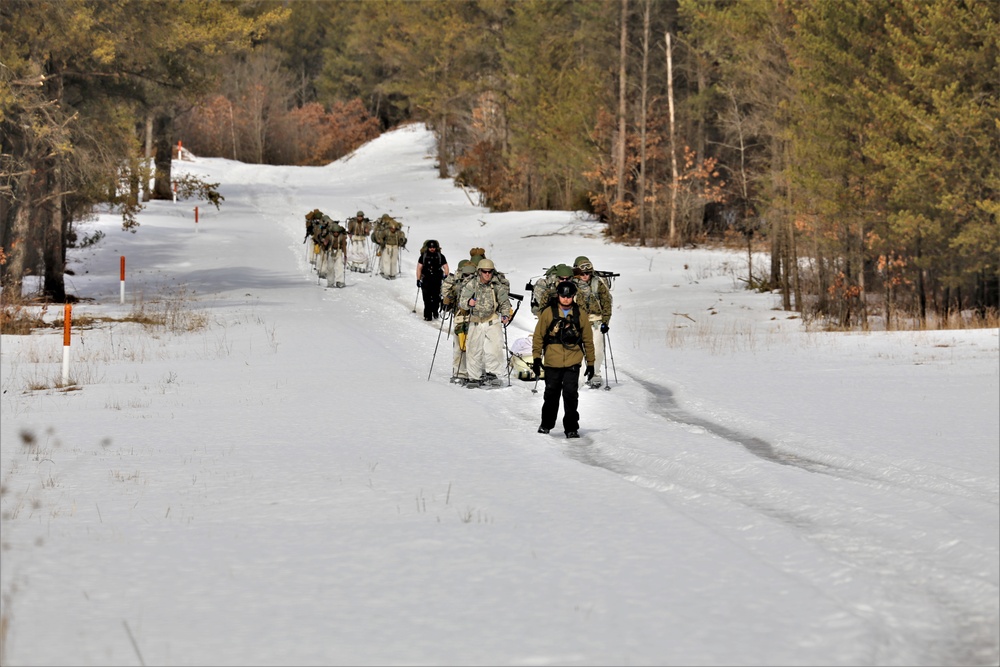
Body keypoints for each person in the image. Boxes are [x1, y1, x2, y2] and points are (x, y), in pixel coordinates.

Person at [531, 280, 595, 438]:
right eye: (563, 296)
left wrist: (591, 363)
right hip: (553, 361)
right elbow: (538, 337)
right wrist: (537, 358)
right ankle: (546, 424)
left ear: (573, 296)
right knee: (551, 394)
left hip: (573, 360)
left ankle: (571, 428)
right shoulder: (548, 313)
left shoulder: (580, 314)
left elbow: (588, 340)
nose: (566, 299)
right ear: (558, 296)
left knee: (571, 395)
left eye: (569, 296)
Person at [459, 258, 512, 388]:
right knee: (473, 349)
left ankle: (492, 374)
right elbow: (462, 301)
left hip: (491, 319)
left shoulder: (496, 286)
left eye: (490, 272)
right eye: (485, 272)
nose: (487, 274)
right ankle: (474, 377)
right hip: (476, 321)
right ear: (479, 271)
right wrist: (468, 303)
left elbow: (505, 302)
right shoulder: (472, 284)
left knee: (495, 347)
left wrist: (505, 314)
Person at [572, 255, 613, 387]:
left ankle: (594, 373)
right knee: (579, 350)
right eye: (582, 273)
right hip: (578, 322)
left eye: (588, 273)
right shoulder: (572, 284)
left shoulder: (597, 283)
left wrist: (606, 322)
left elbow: (606, 302)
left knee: (597, 349)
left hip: (596, 321)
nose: (585, 276)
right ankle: (578, 377)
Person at [441, 260, 476, 383]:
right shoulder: (455, 282)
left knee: (472, 346)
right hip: (460, 316)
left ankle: (469, 372)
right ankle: (460, 373)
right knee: (460, 345)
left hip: (473, 317)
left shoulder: (478, 282)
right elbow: (446, 294)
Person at [416, 240, 449, 320]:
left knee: (436, 298)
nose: (432, 249)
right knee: (426, 298)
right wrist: (418, 279)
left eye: (433, 247)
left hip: (436, 280)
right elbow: (419, 268)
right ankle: (427, 315)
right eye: (430, 247)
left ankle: (435, 311)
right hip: (426, 280)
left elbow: (446, 267)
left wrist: (446, 276)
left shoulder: (440, 256)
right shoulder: (423, 256)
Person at [322, 217, 348, 288]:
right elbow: (324, 245)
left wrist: (345, 255)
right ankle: (330, 282)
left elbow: (344, 246)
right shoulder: (329, 236)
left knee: (339, 267)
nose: (336, 233)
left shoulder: (342, 237)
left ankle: (340, 281)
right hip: (330, 252)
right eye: (334, 232)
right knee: (330, 268)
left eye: (337, 232)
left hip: (338, 252)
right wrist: (325, 244)